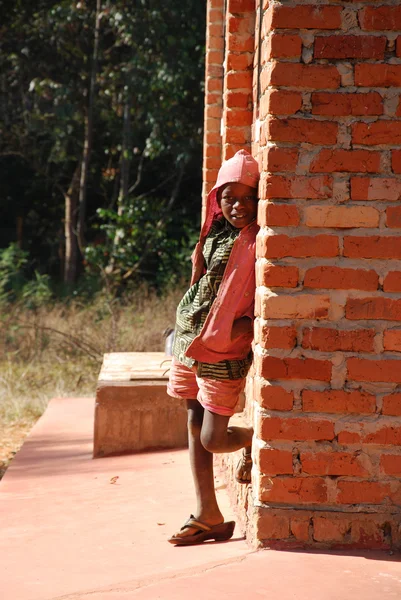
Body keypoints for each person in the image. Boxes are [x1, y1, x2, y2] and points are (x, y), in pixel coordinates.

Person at [167, 149, 260, 546]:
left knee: (212, 437)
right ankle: (209, 514)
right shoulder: (217, 229)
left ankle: (255, 438)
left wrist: (244, 325)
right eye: (229, 196)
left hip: (224, 350)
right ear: (217, 198)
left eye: (247, 197)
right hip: (190, 339)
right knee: (192, 422)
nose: (238, 205)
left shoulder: (258, 238)